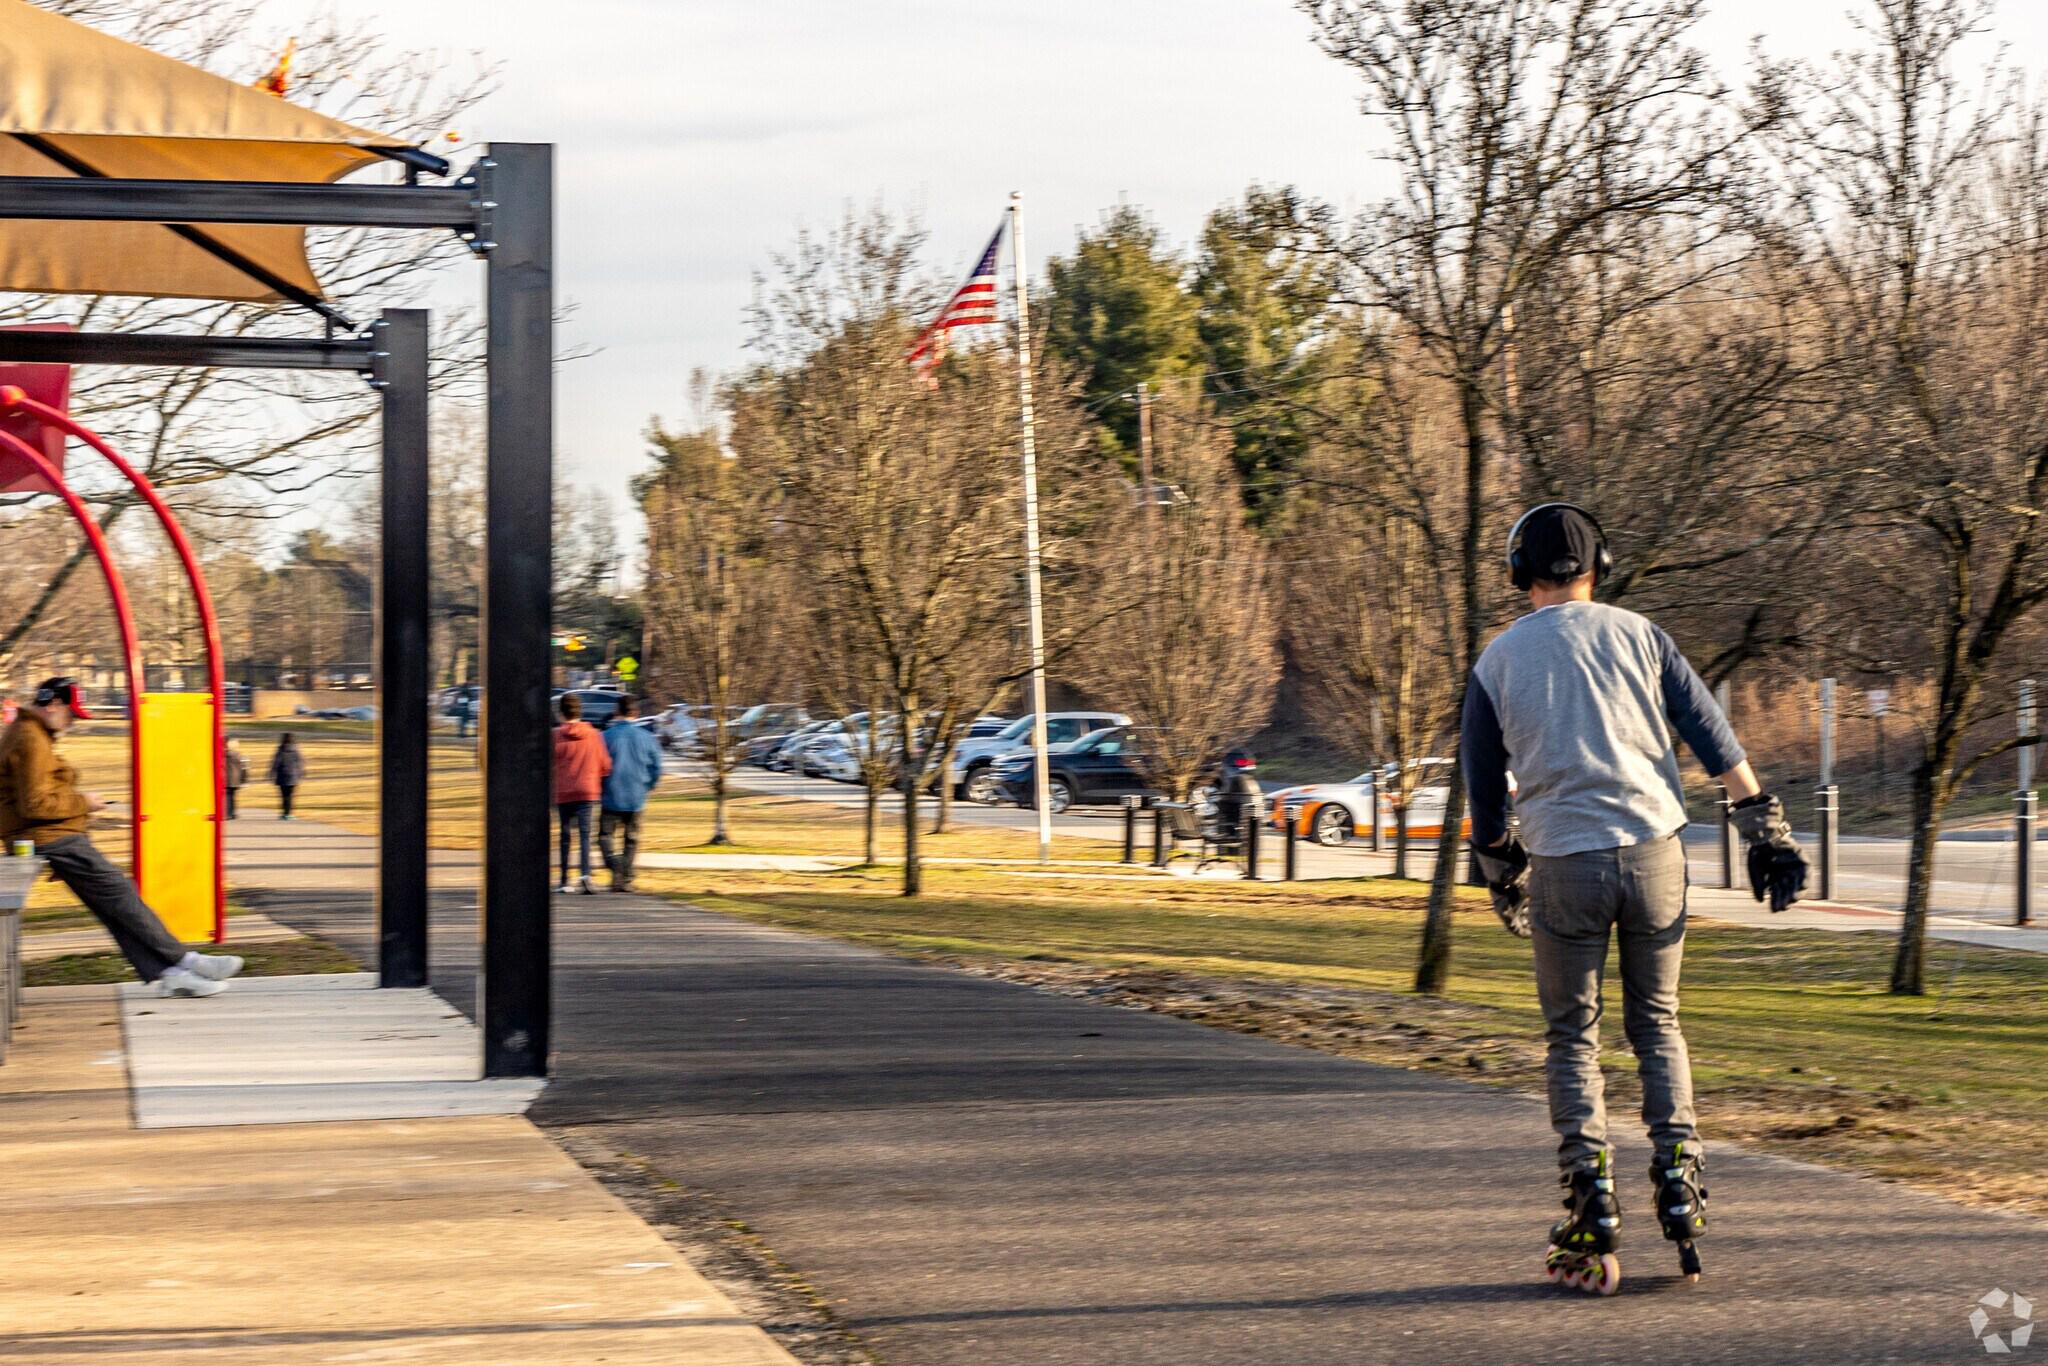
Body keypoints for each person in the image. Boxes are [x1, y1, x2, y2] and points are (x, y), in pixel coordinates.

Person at [1460, 503, 1810, 1293]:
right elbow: (1712, 733)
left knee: (1573, 1036)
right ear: (1599, 567)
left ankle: (1590, 1199)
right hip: (1655, 857)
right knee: (1657, 1023)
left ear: (1520, 574)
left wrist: (1499, 871)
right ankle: (1680, 1175)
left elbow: (1484, 792)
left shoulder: (1497, 661)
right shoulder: (1641, 635)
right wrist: (1767, 831)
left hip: (1563, 862)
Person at [0, 678, 241, 997]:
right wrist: (85, 801)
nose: (71, 724)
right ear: (53, 705)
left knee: (113, 903)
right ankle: (186, 960)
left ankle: (171, 973)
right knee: (121, 897)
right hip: (49, 836)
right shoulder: (31, 738)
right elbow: (36, 803)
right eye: (70, 715)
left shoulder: (30, 732)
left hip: (43, 835)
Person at [599, 695, 662, 892]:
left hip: (610, 794)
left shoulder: (605, 737)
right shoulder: (647, 738)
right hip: (636, 796)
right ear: (636, 713)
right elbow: (656, 768)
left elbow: (597, 766)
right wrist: (647, 786)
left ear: (617, 712)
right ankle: (625, 878)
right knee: (631, 838)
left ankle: (616, 867)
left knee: (605, 836)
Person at [553, 692, 610, 895]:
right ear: (580, 711)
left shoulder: (556, 736)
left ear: (561, 713)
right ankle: (585, 875)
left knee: (565, 834)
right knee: (586, 834)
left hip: (564, 790)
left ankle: (564, 879)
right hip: (588, 790)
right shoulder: (594, 735)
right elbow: (605, 764)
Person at [1208, 748, 1262, 849]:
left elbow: (1218, 787)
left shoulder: (1227, 775)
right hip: (1244, 807)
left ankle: (1230, 846)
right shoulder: (1249, 783)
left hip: (1233, 805)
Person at [269, 733, 305, 820]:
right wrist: (301, 774)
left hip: (282, 776)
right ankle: (289, 813)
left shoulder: (280, 751)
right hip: (293, 776)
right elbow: (300, 763)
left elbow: (276, 763)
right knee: (291, 796)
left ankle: (285, 813)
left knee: (284, 796)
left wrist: (271, 773)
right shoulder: (296, 751)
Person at [223, 738, 247, 820]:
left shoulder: (224, 755)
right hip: (236, 778)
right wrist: (243, 779)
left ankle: (228, 813)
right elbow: (243, 768)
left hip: (226, 778)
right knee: (233, 796)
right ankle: (233, 813)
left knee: (227, 796)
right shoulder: (239, 755)